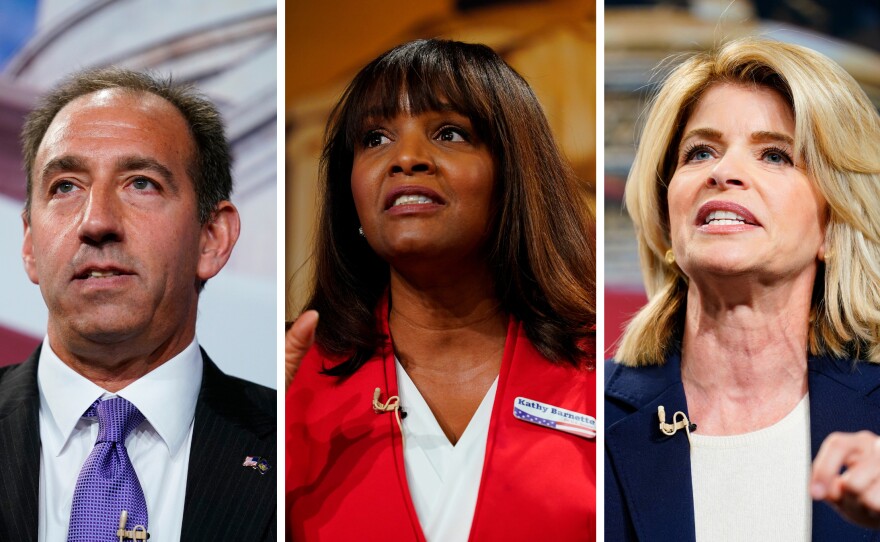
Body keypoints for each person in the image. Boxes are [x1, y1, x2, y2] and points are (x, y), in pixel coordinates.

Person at [286, 39, 596, 540]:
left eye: (450, 133)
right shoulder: (287, 381)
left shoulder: (605, 370)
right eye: (375, 138)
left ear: (514, 175)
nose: (406, 158)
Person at [605, 37, 880, 540]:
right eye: (700, 151)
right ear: (669, 224)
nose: (723, 172)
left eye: (775, 155)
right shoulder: (588, 416)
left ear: (833, 228)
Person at [0, 68, 276, 541]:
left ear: (212, 238)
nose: (97, 221)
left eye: (141, 183)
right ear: (28, 244)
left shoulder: (294, 448)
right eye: (65, 186)